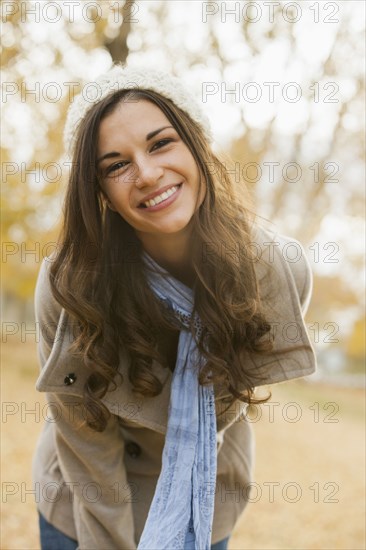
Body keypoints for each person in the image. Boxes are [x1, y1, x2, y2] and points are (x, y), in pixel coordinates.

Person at [32, 64, 316, 550]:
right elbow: (85, 438)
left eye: (161, 143)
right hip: (83, 502)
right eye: (115, 165)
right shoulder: (71, 284)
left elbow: (228, 401)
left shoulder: (273, 268)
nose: (146, 174)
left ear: (198, 147)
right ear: (100, 192)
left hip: (204, 498)